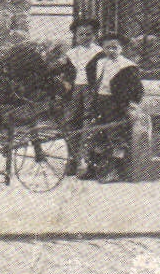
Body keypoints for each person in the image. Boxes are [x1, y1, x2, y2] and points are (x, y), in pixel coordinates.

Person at [86, 32, 143, 183]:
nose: (111, 51)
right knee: (98, 134)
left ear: (121, 48)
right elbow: (90, 73)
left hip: (115, 104)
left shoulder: (127, 66)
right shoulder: (100, 63)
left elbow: (137, 89)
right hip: (100, 102)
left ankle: (116, 171)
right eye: (107, 48)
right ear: (102, 49)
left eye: (115, 47)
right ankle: (94, 169)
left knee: (115, 136)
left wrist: (131, 104)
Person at [59, 17, 102, 177]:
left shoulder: (99, 53)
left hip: (91, 89)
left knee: (89, 120)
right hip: (74, 90)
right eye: (81, 35)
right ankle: (73, 158)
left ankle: (86, 159)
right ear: (75, 36)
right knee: (70, 120)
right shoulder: (72, 54)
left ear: (95, 35)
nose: (85, 38)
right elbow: (67, 73)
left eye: (88, 34)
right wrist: (66, 82)